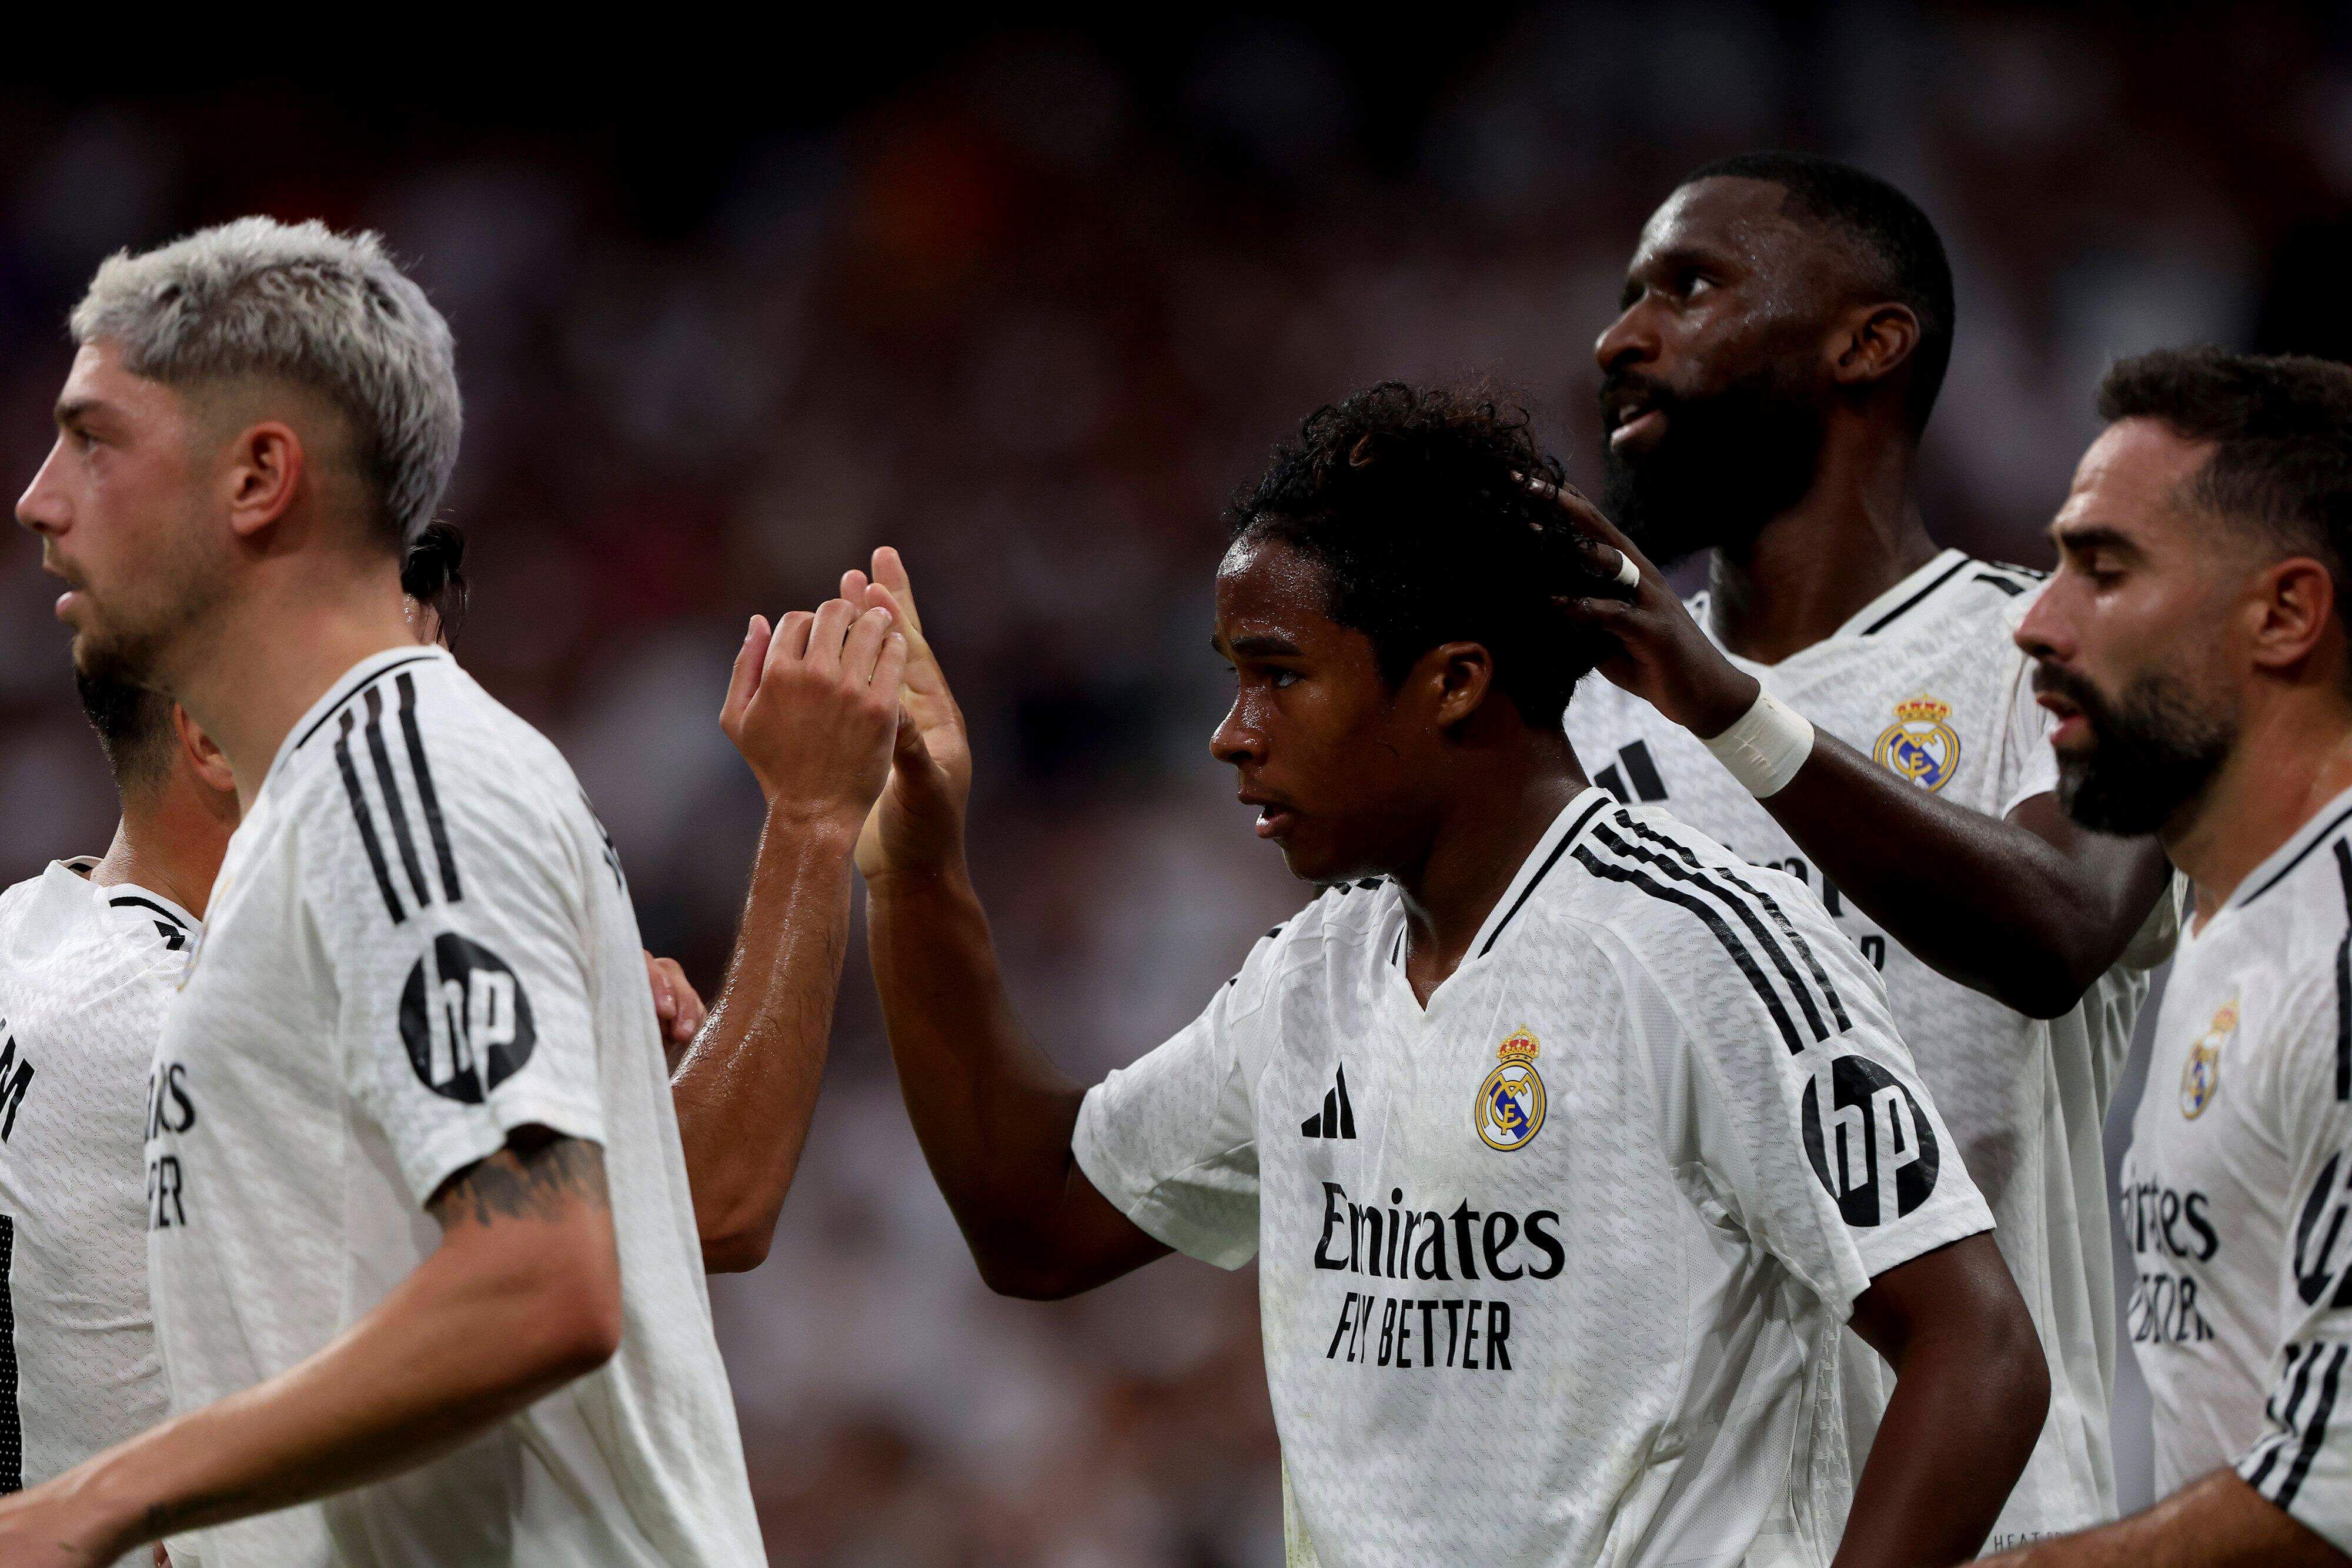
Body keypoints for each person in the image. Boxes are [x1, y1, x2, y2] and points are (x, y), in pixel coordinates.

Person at [855, 382, 2048, 1566]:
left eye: (1277, 673)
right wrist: (914, 866)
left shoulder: (1700, 939)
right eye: (1231, 676)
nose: (1230, 729)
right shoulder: (1316, 973)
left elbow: (1977, 1351)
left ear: (1454, 681)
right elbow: (1037, 1220)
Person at [0, 216, 900, 1566]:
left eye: (94, 438)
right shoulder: (313, 831)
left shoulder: (397, 778)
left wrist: (95, 1498)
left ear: (259, 475)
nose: (39, 495)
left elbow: (541, 1282)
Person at [1558, 149, 2178, 1548]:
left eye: (1688, 285)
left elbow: (2058, 927)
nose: (1619, 337)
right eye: (1622, 297)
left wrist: (1724, 708)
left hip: (2008, 1525)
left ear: (1868, 342)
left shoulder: (2066, 662)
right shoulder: (1575, 720)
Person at [1979, 350, 2352, 1564]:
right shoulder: (2223, 913)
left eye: (2102, 568)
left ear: (2284, 613)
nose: (2033, 621)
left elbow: (2334, 1490)